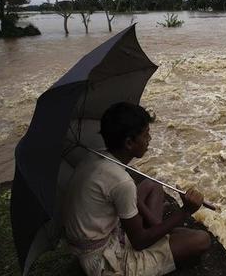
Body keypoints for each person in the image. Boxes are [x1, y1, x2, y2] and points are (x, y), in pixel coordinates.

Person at [63, 102, 211, 276]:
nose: (149, 140)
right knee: (201, 240)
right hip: (104, 261)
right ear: (129, 143)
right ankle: (159, 237)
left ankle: (158, 230)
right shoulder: (120, 181)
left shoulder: (95, 156)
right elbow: (139, 242)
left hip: (101, 232)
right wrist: (185, 211)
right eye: (146, 135)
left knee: (153, 185)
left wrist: (158, 223)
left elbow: (121, 194)